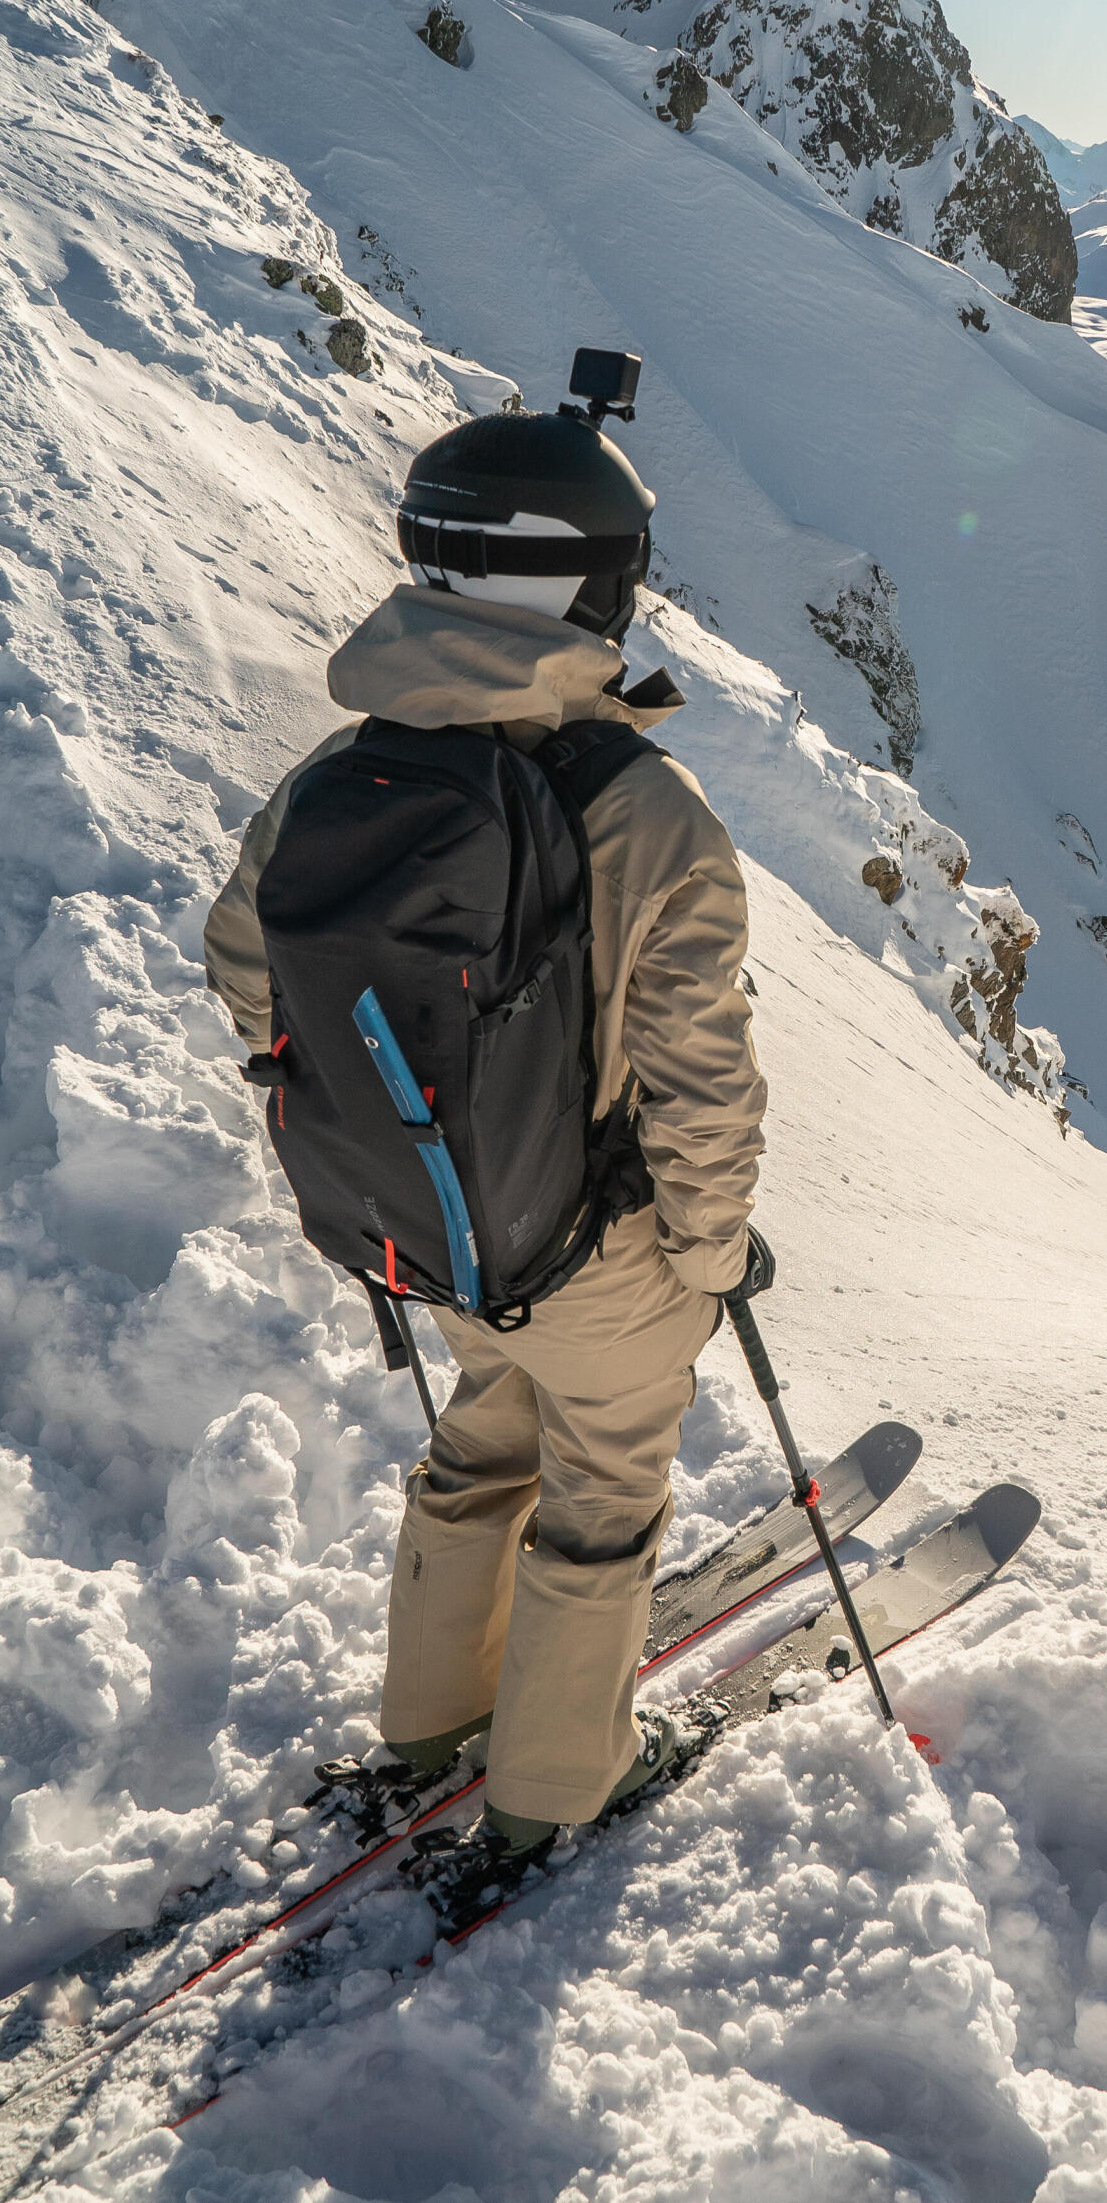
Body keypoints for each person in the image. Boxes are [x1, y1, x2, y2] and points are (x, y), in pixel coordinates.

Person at [203, 404, 767, 1862]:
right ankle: (554, 1793)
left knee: (484, 1444)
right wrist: (703, 1258)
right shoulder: (646, 812)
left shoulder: (348, 771)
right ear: (589, 584)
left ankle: (433, 1722)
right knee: (603, 1499)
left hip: (438, 1232)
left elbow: (245, 967)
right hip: (600, 1253)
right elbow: (700, 1081)